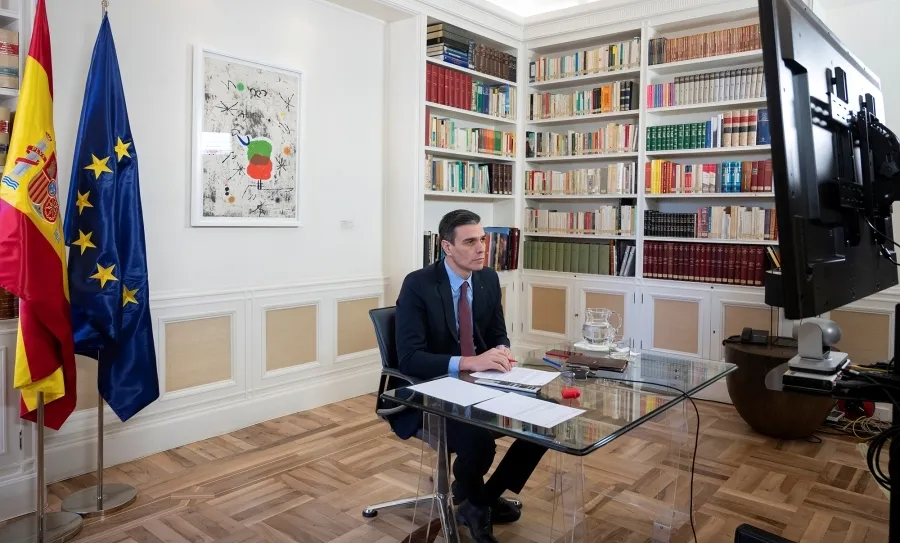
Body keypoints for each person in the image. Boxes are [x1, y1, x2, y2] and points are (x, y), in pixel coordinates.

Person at [393, 209, 547, 543]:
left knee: (544, 422)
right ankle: (477, 502)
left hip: (481, 382)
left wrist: (502, 351)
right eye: (470, 242)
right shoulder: (418, 285)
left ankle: (480, 499)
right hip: (430, 389)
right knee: (479, 442)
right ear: (447, 247)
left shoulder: (488, 279)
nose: (481, 248)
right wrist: (470, 362)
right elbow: (409, 359)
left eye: (482, 240)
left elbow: (497, 333)